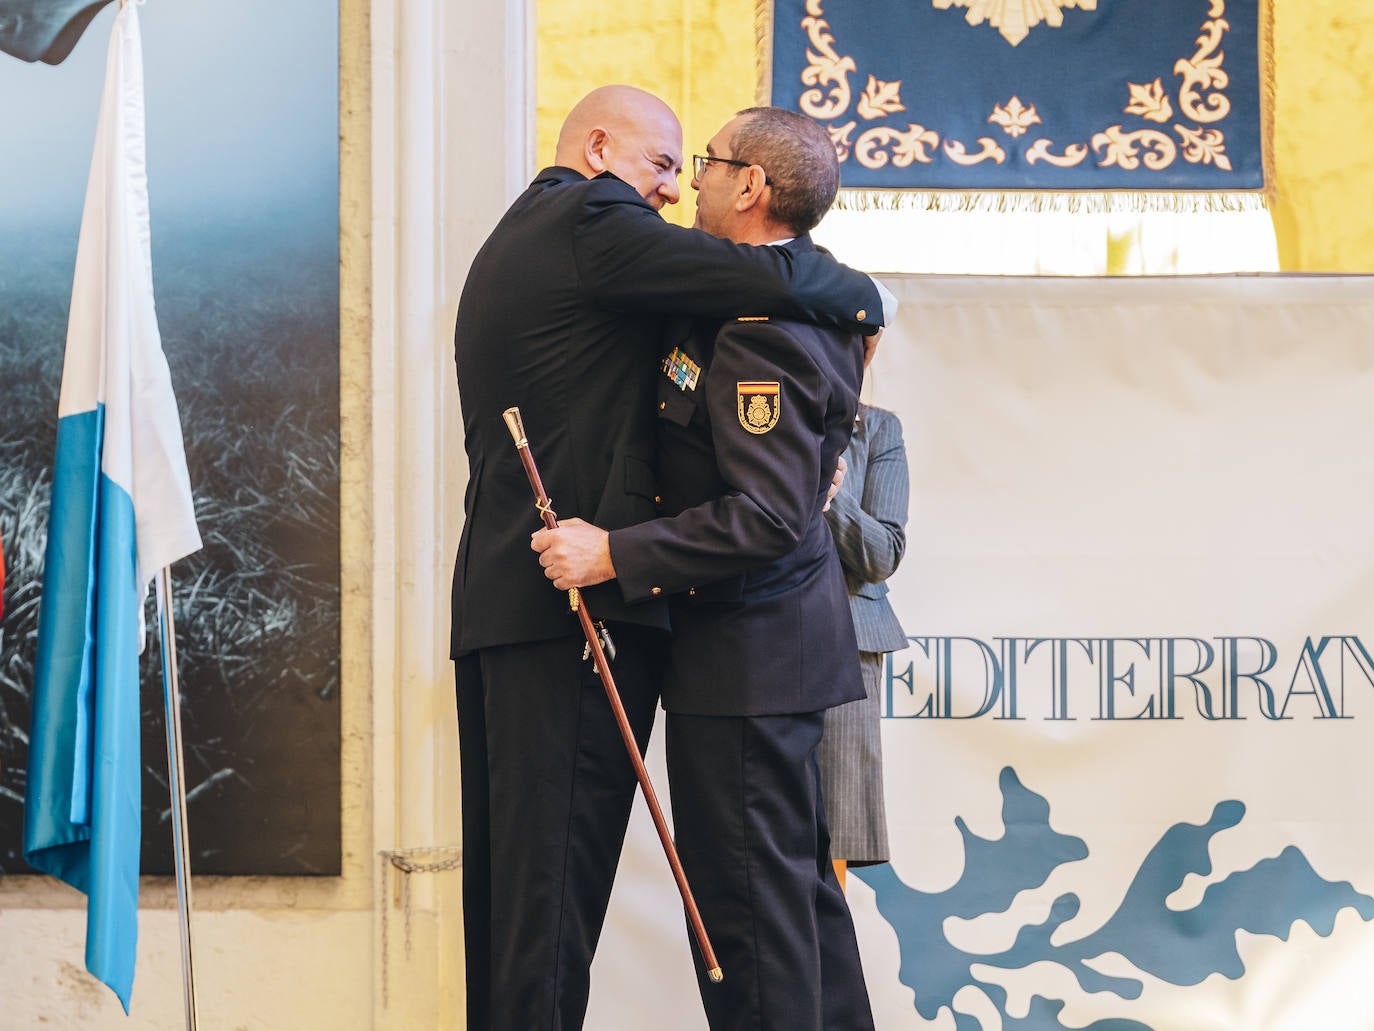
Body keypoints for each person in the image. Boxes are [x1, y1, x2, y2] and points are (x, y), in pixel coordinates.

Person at [450, 85, 884, 1031]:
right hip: (573, 619)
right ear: (598, 148)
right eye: (662, 164)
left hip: (742, 647)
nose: (675, 190)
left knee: (754, 912)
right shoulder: (590, 218)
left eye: (698, 167)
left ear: (752, 185)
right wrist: (860, 302)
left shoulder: (579, 240)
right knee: (610, 907)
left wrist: (619, 552)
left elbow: (767, 509)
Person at [820, 384, 910, 888]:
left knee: (836, 830)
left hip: (849, 641)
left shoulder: (878, 429)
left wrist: (829, 497)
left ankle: (823, 943)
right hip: (761, 633)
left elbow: (882, 554)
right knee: (760, 824)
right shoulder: (762, 419)